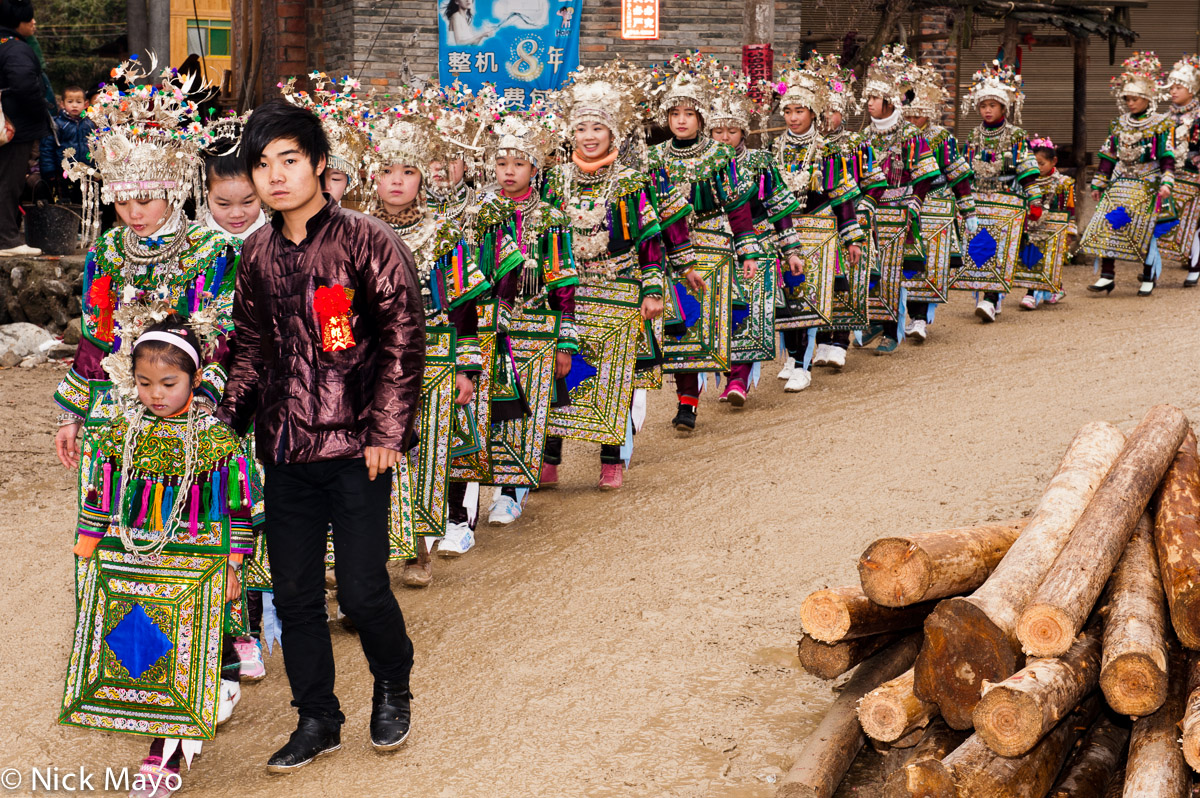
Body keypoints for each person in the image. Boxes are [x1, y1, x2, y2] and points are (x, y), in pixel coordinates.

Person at [216, 99, 425, 771]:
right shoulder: (256, 252)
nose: (275, 177)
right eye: (262, 164)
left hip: (357, 449)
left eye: (289, 161)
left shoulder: (368, 240)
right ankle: (318, 718)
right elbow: (248, 349)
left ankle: (394, 681)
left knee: (362, 591)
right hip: (283, 449)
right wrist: (224, 427)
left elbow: (401, 338)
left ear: (320, 166)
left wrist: (386, 428)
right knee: (295, 593)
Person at [61, 316, 256, 798]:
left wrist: (233, 564)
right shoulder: (120, 434)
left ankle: (162, 753)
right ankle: (208, 689)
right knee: (142, 646)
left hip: (199, 563)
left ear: (194, 379)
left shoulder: (216, 439)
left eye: (169, 383)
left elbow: (238, 506)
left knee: (186, 651)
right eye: (145, 383)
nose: (156, 394)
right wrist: (89, 546)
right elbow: (99, 493)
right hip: (136, 559)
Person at [542, 61, 683, 488]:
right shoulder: (554, 181)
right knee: (558, 372)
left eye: (597, 129)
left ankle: (611, 459)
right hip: (565, 291)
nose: (588, 136)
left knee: (614, 376)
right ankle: (550, 459)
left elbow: (650, 242)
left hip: (617, 286)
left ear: (612, 134)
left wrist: (653, 288)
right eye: (581, 128)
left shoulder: (629, 183)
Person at [365, 108, 488, 586]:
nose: (396, 182)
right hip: (365, 358)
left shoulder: (442, 233)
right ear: (370, 175)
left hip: (431, 356)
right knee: (367, 452)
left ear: (424, 177)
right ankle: (365, 553)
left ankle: (419, 550)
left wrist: (466, 369)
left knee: (420, 452)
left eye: (408, 172)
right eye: (387, 171)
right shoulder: (348, 228)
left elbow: (464, 308)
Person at [647, 54, 763, 433]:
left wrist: (747, 249)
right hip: (670, 252)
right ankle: (687, 400)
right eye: (674, 113)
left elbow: (738, 208)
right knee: (680, 324)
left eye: (689, 113)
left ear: (701, 118)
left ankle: (734, 378)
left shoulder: (719, 156)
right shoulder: (651, 161)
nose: (681, 120)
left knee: (718, 321)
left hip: (713, 247)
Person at [483, 106, 578, 524]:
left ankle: (511, 491)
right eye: (501, 163)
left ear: (535, 167)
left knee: (529, 410)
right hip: (489, 327)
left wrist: (565, 340)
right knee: (494, 409)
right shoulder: (479, 214)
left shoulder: (552, 219)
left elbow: (563, 283)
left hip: (535, 328)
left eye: (518, 163)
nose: (508, 171)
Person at [706, 65, 805, 407]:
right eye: (717, 131)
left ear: (743, 133)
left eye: (731, 131)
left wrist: (791, 250)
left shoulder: (761, 162)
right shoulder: (700, 166)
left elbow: (780, 208)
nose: (724, 138)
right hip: (712, 248)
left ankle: (739, 379)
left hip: (758, 247)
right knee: (721, 314)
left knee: (751, 312)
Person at [771, 56, 867, 390]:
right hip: (787, 232)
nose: (793, 118)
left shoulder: (827, 149)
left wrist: (851, 237)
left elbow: (842, 197)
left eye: (799, 111)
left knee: (814, 296)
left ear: (813, 112)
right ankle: (794, 356)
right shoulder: (774, 148)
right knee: (790, 295)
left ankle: (803, 363)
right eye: (788, 111)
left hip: (820, 231)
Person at [859, 45, 941, 349]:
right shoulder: (865, 136)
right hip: (870, 210)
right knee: (871, 269)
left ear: (890, 101)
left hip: (899, 210)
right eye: (868, 97)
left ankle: (893, 331)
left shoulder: (909, 135)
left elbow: (925, 174)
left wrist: (913, 205)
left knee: (893, 271)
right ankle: (874, 322)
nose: (869, 103)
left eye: (874, 98)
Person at [1080, 52, 1177, 297]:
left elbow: (1166, 156)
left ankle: (1147, 276)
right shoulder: (1118, 124)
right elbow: (1108, 155)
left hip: (1148, 183)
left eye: (1135, 99)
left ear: (1147, 98)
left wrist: (1167, 181)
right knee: (1110, 224)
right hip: (1120, 183)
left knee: (1145, 229)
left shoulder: (1161, 124)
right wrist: (1099, 182)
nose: (1130, 103)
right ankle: (1107, 275)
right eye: (1127, 99)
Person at [958, 60, 1042, 322]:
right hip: (978, 200)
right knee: (979, 247)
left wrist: (1035, 199)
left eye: (992, 105)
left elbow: (1027, 169)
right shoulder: (972, 136)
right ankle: (990, 295)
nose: (987, 110)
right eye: (983, 105)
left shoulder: (1017, 136)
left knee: (999, 247)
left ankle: (991, 298)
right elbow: (963, 171)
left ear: (1004, 107)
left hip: (1007, 200)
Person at [903, 63, 976, 333]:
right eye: (908, 116)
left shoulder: (940, 138)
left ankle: (919, 318)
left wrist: (968, 211)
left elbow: (958, 176)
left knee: (925, 263)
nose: (912, 122)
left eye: (918, 117)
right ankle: (891, 317)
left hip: (934, 206)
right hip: (902, 203)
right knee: (902, 262)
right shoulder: (897, 137)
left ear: (930, 114)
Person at [0, 0, 50, 256]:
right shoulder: (15, 48)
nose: (34, 22)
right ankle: (6, 239)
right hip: (13, 127)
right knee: (9, 181)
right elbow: (23, 85)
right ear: (16, 21)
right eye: (29, 18)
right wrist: (40, 111)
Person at [1019, 137, 1074, 308]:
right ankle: (1036, 291)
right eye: (1034, 164)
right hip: (1032, 227)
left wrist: (1070, 230)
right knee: (1032, 258)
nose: (1038, 168)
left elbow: (1070, 209)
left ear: (1054, 161)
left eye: (1041, 163)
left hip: (1052, 229)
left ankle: (1036, 293)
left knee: (1049, 260)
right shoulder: (1028, 183)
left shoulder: (1063, 183)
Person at [1165, 55, 1200, 282]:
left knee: (1195, 221)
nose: (1173, 91)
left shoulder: (1198, 116)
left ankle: (1194, 266)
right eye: (1172, 87)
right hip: (1173, 175)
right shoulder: (1166, 116)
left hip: (1195, 175)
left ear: (1192, 89)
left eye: (1179, 87)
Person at [38, 84, 92, 204]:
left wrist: (94, 167)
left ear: (86, 104)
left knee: (83, 201)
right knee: (64, 200)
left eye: (78, 102)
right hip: (62, 171)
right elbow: (47, 148)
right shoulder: (57, 124)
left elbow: (94, 147)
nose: (74, 105)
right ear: (62, 104)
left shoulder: (89, 124)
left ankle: (80, 222)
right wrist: (48, 171)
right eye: (70, 101)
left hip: (84, 171)